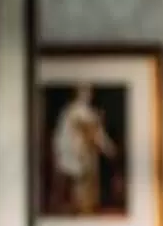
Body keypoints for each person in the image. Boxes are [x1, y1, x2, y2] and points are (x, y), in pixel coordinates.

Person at [49, 87, 120, 217]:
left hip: (86, 152)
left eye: (88, 91)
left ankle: (84, 208)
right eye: (84, 91)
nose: (87, 94)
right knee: (79, 180)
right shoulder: (71, 112)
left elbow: (97, 134)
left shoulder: (89, 112)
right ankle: (77, 207)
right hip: (77, 151)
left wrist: (108, 148)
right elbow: (65, 134)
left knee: (86, 183)